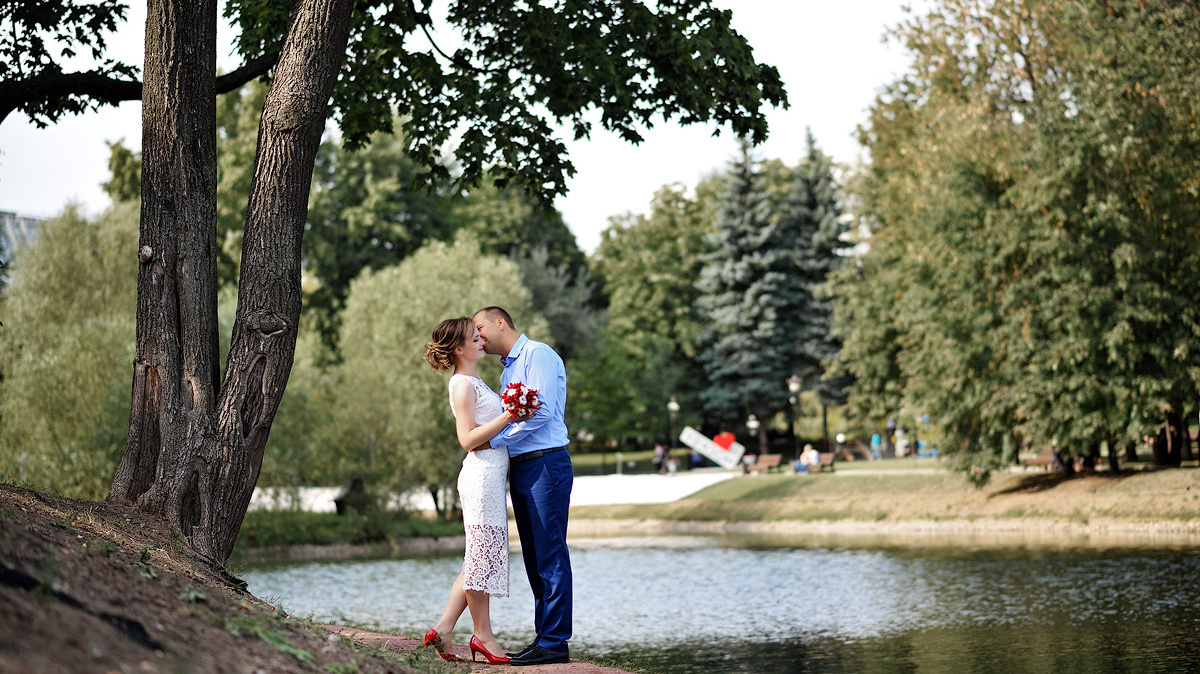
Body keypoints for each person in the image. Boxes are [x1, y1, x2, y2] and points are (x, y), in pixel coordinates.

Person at [421, 317, 528, 665]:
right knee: (482, 557)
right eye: (474, 338)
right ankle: (483, 636)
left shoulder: (474, 381)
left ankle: (443, 628)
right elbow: (467, 439)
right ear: (459, 349)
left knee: (479, 558)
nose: (482, 341)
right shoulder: (462, 385)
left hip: (491, 478)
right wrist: (508, 416)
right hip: (480, 477)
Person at [474, 306, 573, 666]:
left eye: (480, 327)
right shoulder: (509, 369)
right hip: (523, 466)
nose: (478, 336)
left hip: (546, 463)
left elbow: (542, 412)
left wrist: (495, 441)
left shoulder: (537, 354)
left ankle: (555, 641)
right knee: (533, 556)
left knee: (550, 552)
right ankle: (544, 638)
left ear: (500, 322)